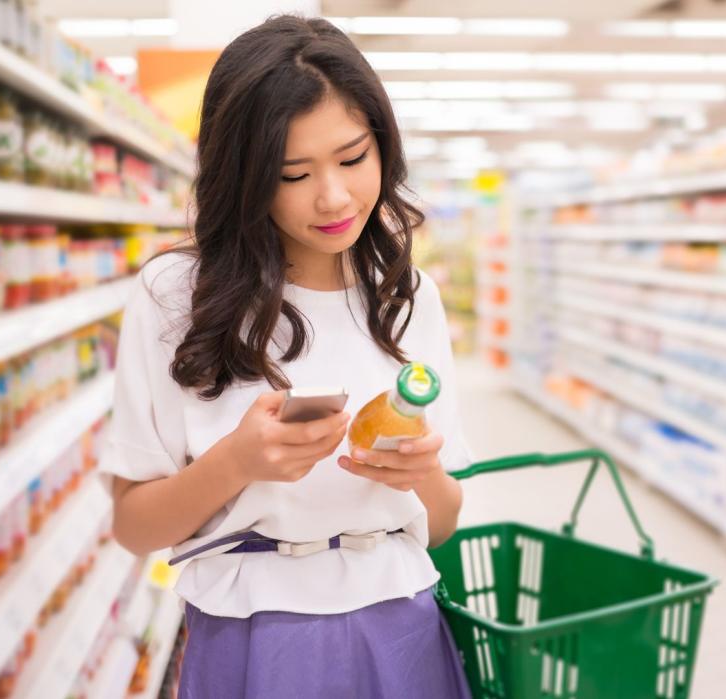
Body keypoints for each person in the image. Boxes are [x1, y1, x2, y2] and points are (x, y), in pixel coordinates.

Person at [99, 14, 473, 699]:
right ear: (244, 178)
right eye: (292, 173)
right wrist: (236, 462)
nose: (333, 197)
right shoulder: (177, 296)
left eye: (354, 158)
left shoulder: (408, 295)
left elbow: (444, 522)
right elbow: (132, 525)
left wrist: (419, 472)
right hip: (252, 634)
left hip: (401, 624)